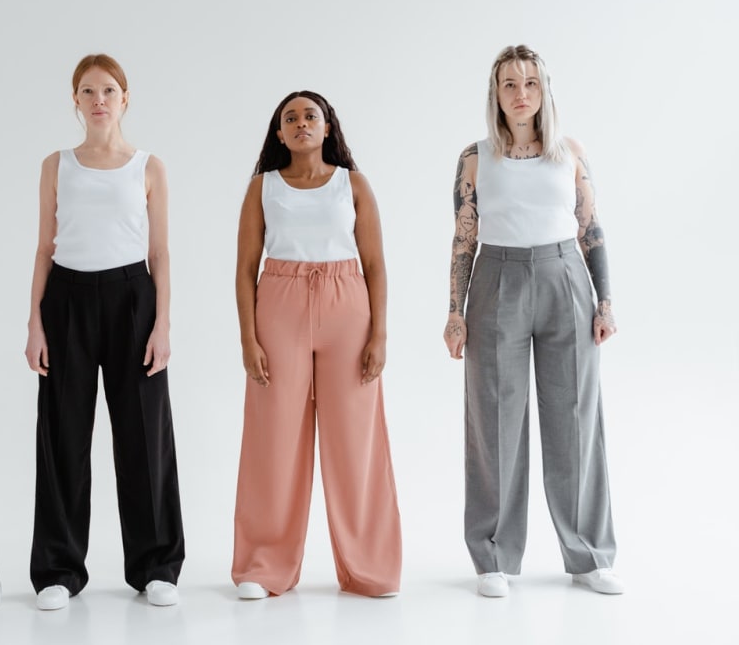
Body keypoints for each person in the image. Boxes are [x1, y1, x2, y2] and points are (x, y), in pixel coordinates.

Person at [443, 44, 623, 598]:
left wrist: (606, 300)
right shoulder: (475, 158)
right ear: (495, 96)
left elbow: (590, 227)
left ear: (544, 91)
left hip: (565, 277)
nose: (520, 94)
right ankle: (494, 556)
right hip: (497, 281)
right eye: (508, 85)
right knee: (494, 420)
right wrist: (454, 311)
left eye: (530, 83)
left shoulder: (570, 152)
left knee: (575, 417)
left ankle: (589, 555)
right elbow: (464, 239)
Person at [25, 54, 185, 610]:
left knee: (145, 436)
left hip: (132, 299)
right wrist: (34, 322)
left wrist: (162, 323)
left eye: (109, 90)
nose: (99, 100)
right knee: (63, 435)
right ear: (76, 100)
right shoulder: (56, 165)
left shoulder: (148, 166)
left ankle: (156, 565)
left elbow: (160, 252)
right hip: (67, 298)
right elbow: (44, 248)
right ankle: (57, 570)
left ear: (125, 98)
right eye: (88, 91)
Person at [231, 90, 401, 600]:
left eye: (311, 115)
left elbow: (374, 265)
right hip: (278, 307)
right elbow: (244, 269)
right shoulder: (263, 187)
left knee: (356, 442)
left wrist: (380, 333)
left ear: (328, 128)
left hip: (347, 308)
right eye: (291, 117)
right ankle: (264, 566)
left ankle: (370, 568)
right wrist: (247, 337)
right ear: (279, 133)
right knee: (273, 439)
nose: (302, 122)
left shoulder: (354, 185)